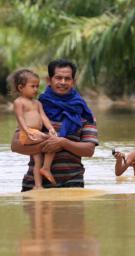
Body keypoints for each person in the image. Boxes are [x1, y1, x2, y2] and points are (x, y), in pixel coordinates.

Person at [11, 59, 98, 191]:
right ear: (49, 80)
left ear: (73, 82)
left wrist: (63, 143)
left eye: (67, 79)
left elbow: (89, 150)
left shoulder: (84, 112)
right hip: (34, 186)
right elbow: (16, 145)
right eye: (58, 78)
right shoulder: (35, 106)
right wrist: (47, 145)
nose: (63, 82)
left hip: (72, 184)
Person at [9, 68, 57, 189]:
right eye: (33, 86)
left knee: (37, 162)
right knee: (53, 142)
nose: (36, 89)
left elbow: (44, 117)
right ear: (21, 87)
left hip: (36, 133)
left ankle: (38, 185)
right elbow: (20, 118)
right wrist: (26, 131)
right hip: (27, 133)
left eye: (37, 86)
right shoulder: (19, 102)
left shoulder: (37, 103)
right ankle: (46, 168)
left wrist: (50, 128)